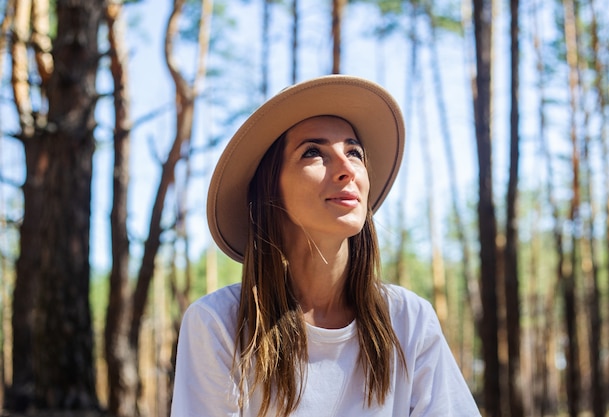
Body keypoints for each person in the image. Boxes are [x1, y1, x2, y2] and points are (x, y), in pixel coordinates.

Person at [171, 75, 481, 417]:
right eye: (313, 152)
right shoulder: (218, 325)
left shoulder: (409, 320)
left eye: (354, 152)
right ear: (270, 189)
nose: (347, 168)